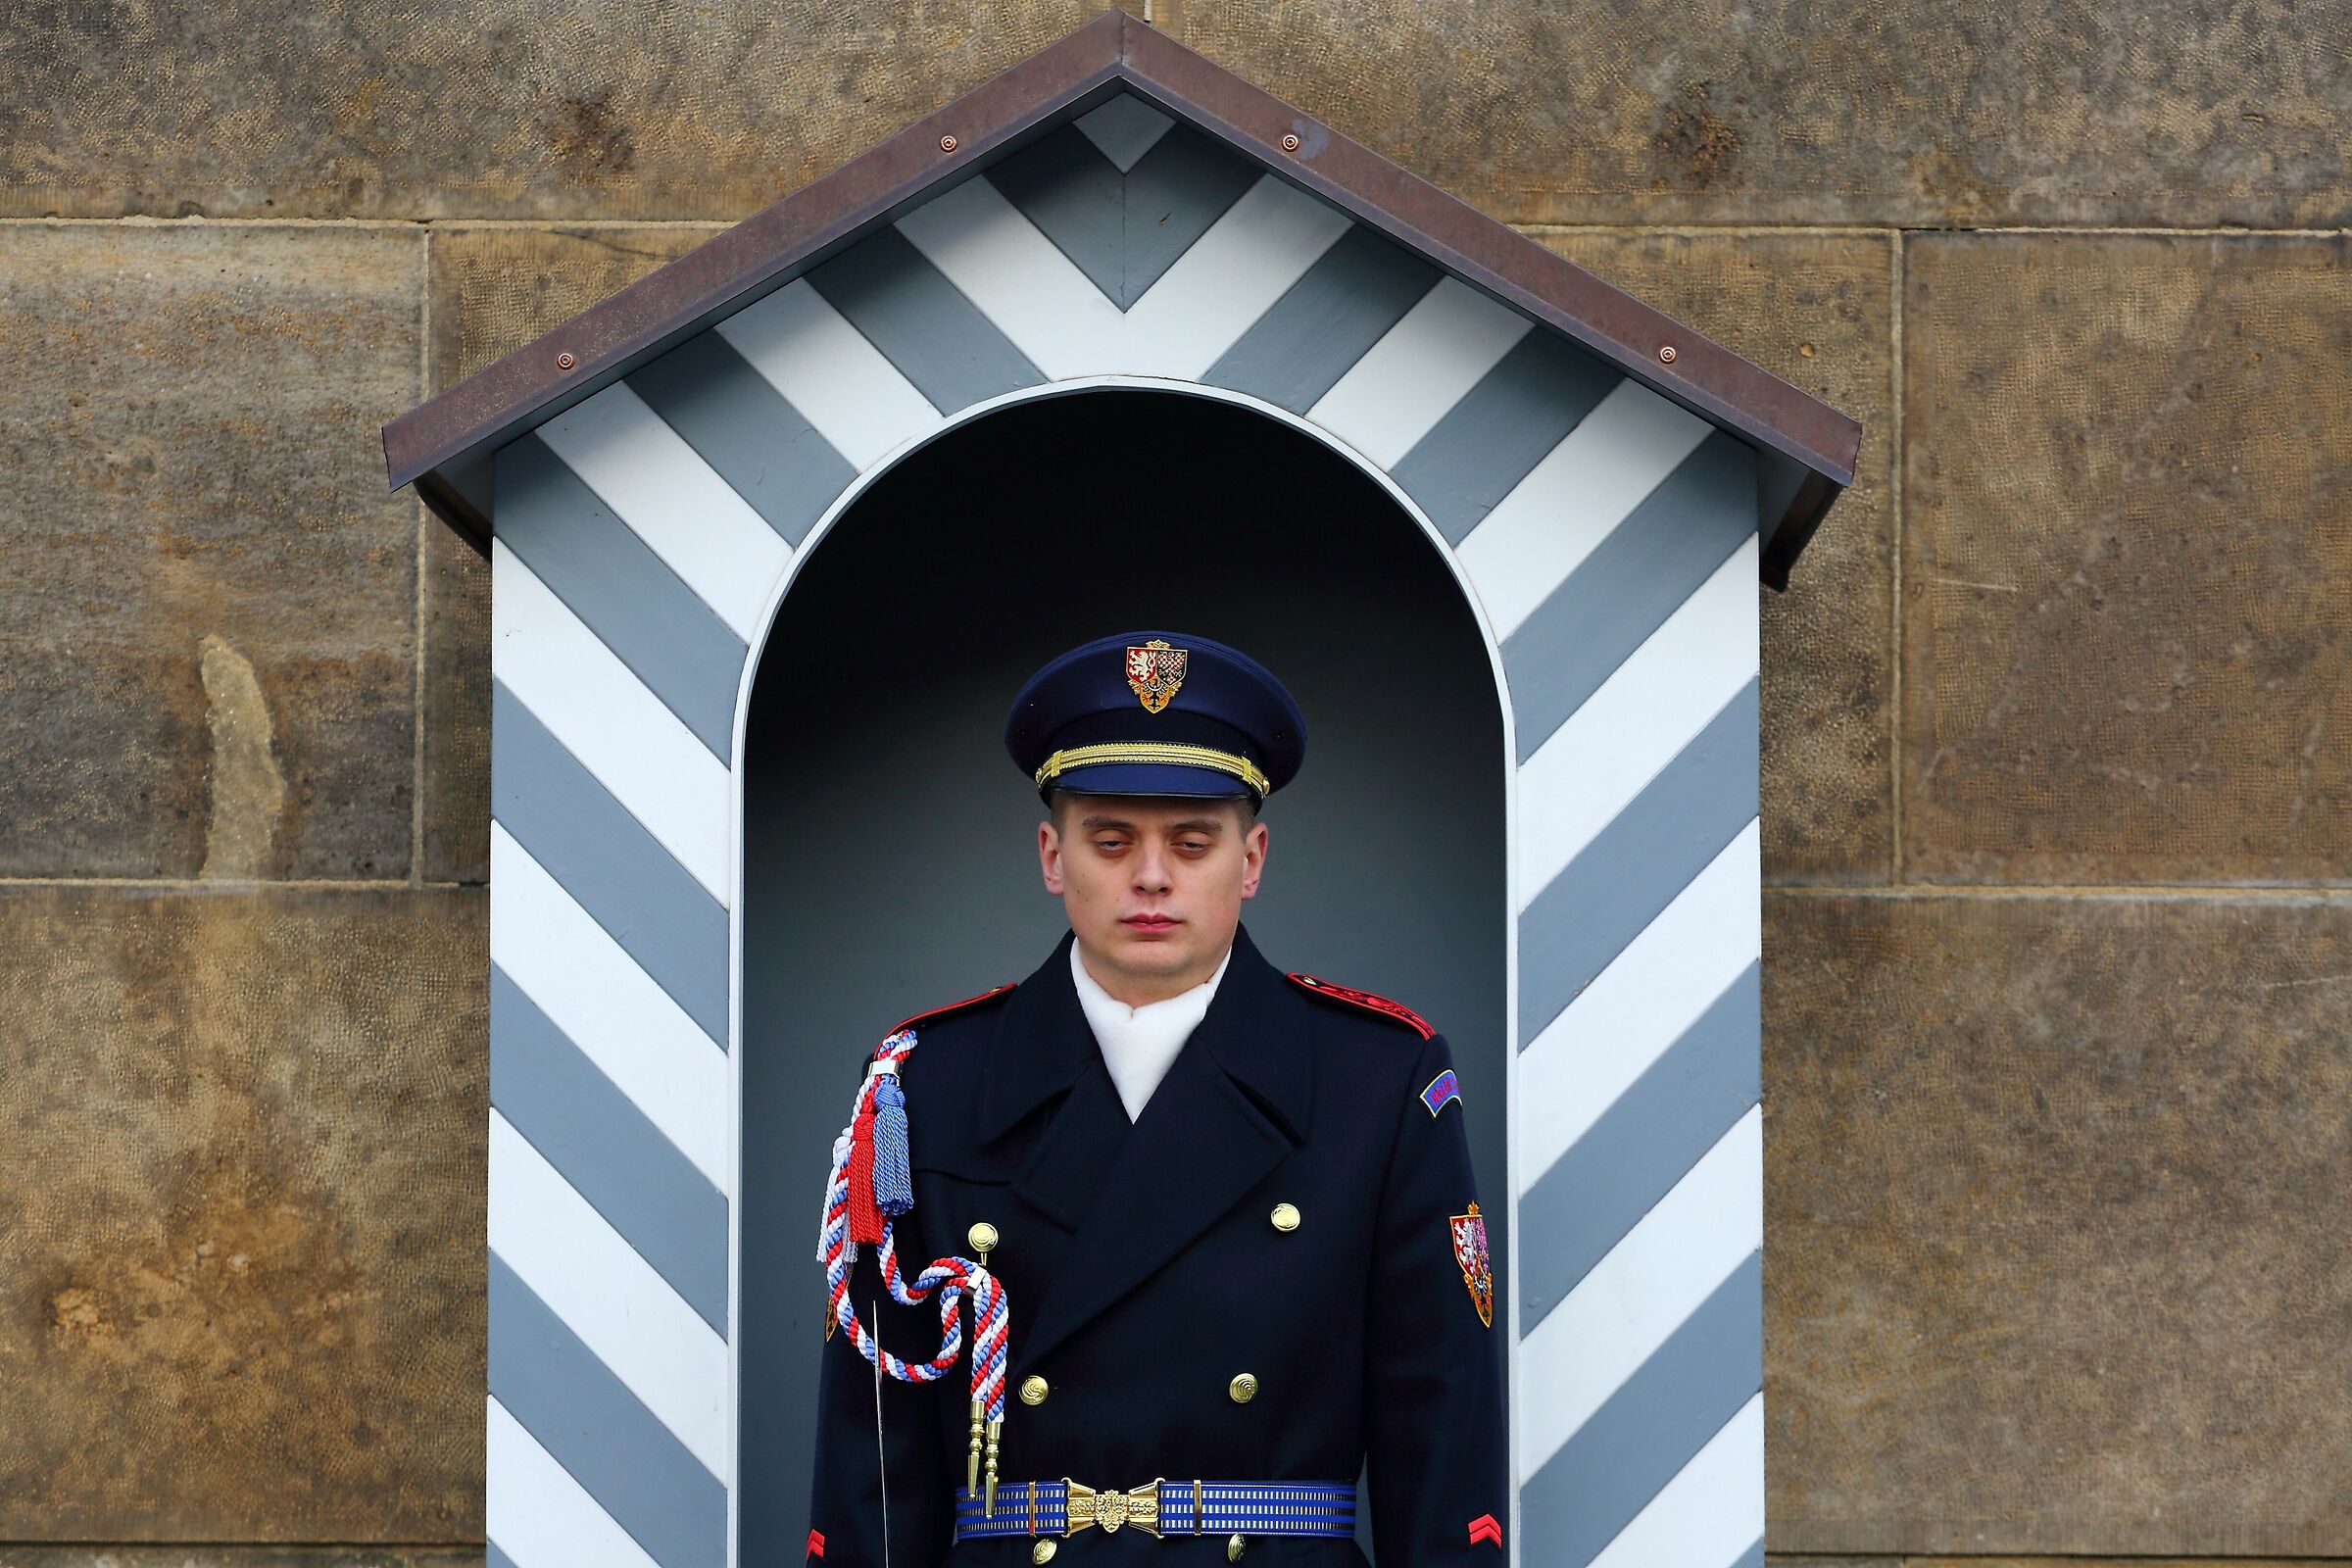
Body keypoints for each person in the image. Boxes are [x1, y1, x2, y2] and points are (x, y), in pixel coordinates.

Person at [808, 631, 1506, 1566]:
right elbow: (875, 1462)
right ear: (1053, 857)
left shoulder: (1379, 1083)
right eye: (1110, 839)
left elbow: (1442, 1438)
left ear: (1251, 860)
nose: (1150, 877)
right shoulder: (925, 1085)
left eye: (1191, 841)